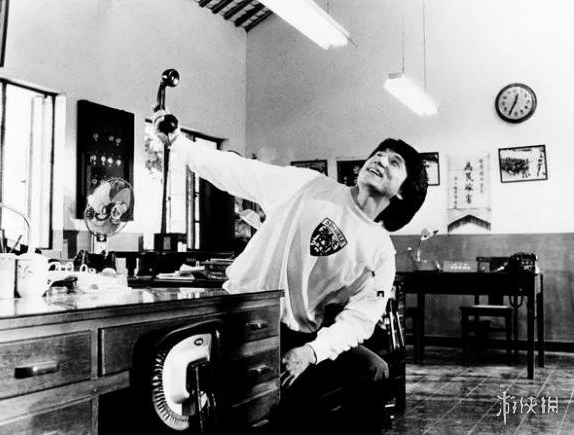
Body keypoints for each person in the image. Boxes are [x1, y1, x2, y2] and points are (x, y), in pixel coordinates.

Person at [153, 111, 428, 433]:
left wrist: (311, 352)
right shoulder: (310, 185)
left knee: (373, 370)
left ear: (403, 191)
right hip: (240, 315)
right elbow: (241, 172)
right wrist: (179, 143)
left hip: (297, 334)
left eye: (394, 162)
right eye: (379, 153)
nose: (380, 160)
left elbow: (359, 320)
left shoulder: (380, 251)